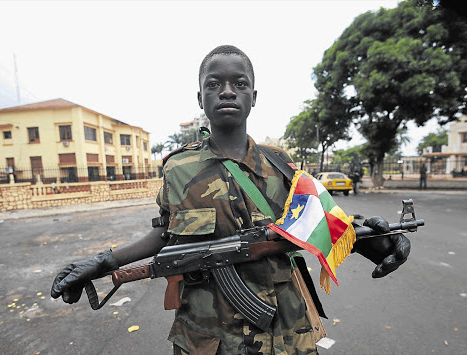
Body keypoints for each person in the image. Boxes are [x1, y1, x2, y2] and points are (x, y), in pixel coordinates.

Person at [51, 45, 411, 354]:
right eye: (214, 84)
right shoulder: (178, 168)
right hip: (209, 335)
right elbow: (165, 235)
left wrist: (369, 241)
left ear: (254, 97)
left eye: (240, 84)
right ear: (200, 98)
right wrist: (102, 263)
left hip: (285, 329)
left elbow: (317, 222)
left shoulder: (280, 163)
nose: (227, 92)